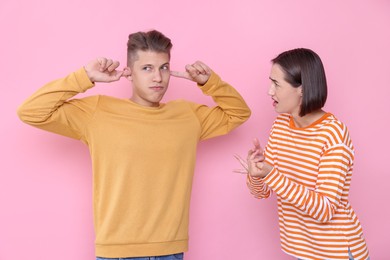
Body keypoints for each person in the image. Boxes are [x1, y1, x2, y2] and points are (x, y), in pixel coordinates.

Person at [17, 30, 251, 259]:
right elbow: (31, 112)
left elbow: (239, 114)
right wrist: (85, 76)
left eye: (164, 68)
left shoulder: (188, 115)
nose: (158, 78)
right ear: (129, 73)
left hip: (169, 250)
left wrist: (211, 83)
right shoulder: (98, 112)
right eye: (147, 68)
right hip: (117, 252)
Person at [234, 48, 369, 260]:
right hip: (301, 251)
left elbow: (324, 210)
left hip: (337, 253)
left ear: (302, 90)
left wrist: (271, 175)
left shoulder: (333, 135)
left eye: (276, 84)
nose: (270, 91)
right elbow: (261, 193)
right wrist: (256, 173)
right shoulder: (281, 126)